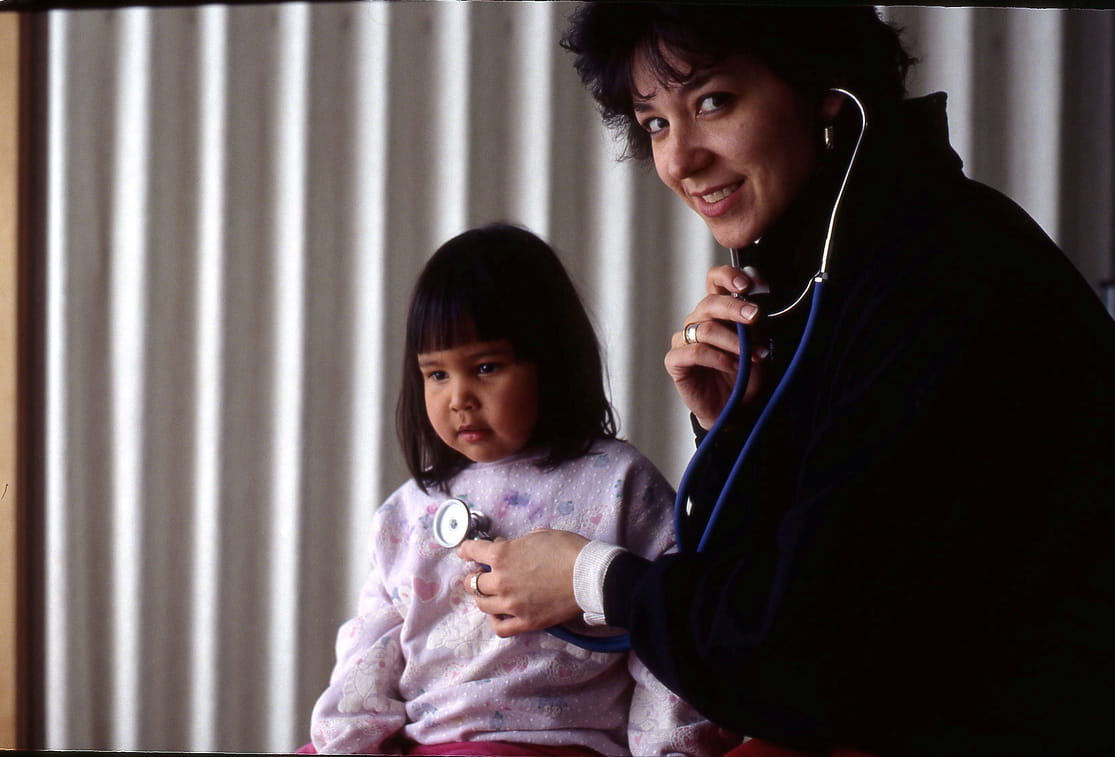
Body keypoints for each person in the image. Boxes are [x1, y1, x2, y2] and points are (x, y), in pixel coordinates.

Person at [457, 6, 1115, 756]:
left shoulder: (937, 271)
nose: (679, 162)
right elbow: (770, 609)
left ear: (823, 84)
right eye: (654, 124)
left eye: (711, 102)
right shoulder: (822, 270)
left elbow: (795, 660)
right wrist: (735, 429)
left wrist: (593, 580)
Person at [307, 223, 735, 756]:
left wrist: (668, 751)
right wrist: (345, 745)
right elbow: (369, 655)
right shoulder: (407, 512)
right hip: (427, 745)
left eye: (486, 367)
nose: (459, 397)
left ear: (550, 363)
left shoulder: (618, 484)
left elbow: (663, 650)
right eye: (436, 374)